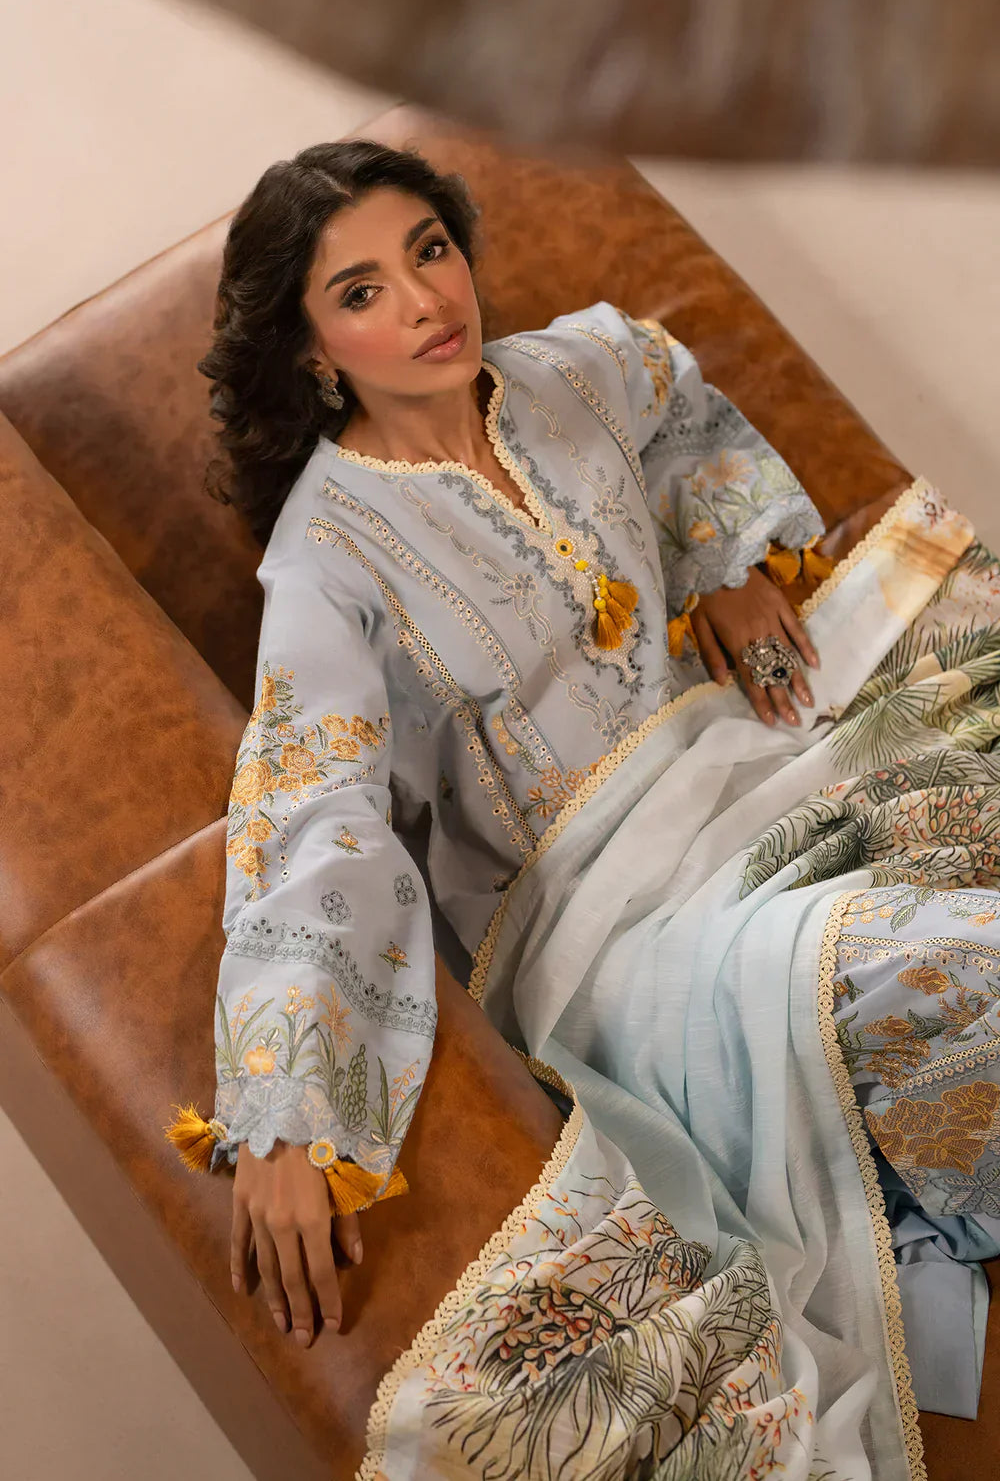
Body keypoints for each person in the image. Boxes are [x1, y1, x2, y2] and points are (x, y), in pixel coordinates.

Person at [165, 140, 1000, 1477]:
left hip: (745, 769)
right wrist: (288, 1114)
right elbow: (316, 805)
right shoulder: (325, 563)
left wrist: (722, 554)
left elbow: (668, 394)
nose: (425, 301)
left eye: (431, 250)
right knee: (942, 971)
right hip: (601, 929)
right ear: (312, 349)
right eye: (362, 291)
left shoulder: (572, 369)